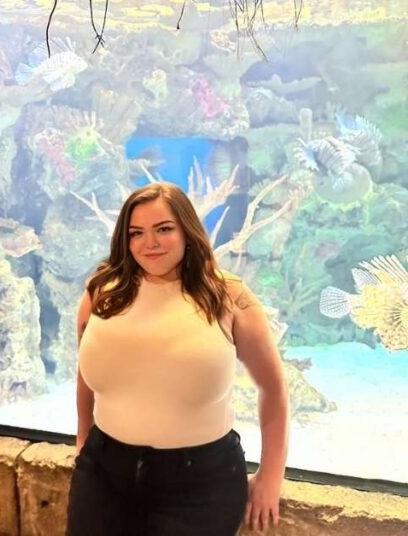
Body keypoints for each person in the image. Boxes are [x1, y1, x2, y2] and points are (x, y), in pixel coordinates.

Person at [68, 182, 289, 535]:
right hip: (103, 473)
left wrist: (271, 476)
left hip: (201, 486)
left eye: (164, 229)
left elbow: (273, 388)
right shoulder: (101, 291)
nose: (150, 243)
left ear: (187, 230)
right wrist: (83, 442)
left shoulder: (229, 296)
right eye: (136, 233)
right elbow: (87, 373)